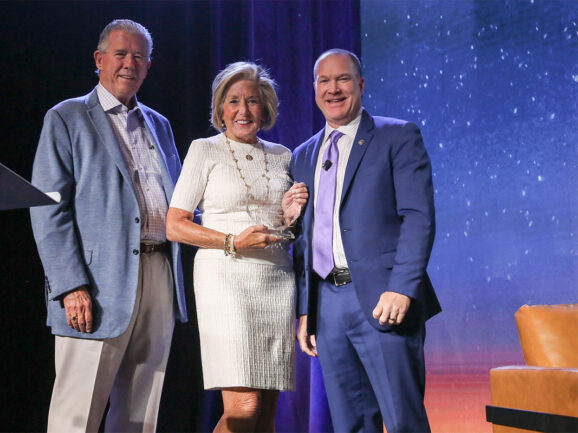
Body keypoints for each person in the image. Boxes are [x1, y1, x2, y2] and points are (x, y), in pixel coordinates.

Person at [30, 19, 187, 433]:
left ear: (148, 66)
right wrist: (69, 285)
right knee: (75, 416)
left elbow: (181, 205)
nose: (129, 64)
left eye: (138, 56)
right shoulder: (66, 117)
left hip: (158, 276)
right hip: (94, 285)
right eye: (120, 54)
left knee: (140, 414)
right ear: (99, 60)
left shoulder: (160, 125)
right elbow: (48, 209)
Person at [290, 49, 441, 433]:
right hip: (328, 307)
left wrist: (401, 288)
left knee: (402, 420)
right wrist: (307, 308)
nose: (333, 89)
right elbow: (306, 238)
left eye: (342, 79)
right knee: (351, 424)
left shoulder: (397, 135)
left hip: (383, 299)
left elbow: (418, 218)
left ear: (360, 84)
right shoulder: (303, 155)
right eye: (324, 81)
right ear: (314, 89)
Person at [166, 62, 307, 433]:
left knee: (265, 412)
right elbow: (175, 225)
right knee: (244, 407)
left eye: (253, 101)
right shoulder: (205, 150)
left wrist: (291, 216)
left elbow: (281, 228)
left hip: (276, 281)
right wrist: (231, 241)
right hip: (225, 281)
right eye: (233, 101)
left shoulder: (283, 155)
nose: (243, 111)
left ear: (266, 108)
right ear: (220, 109)